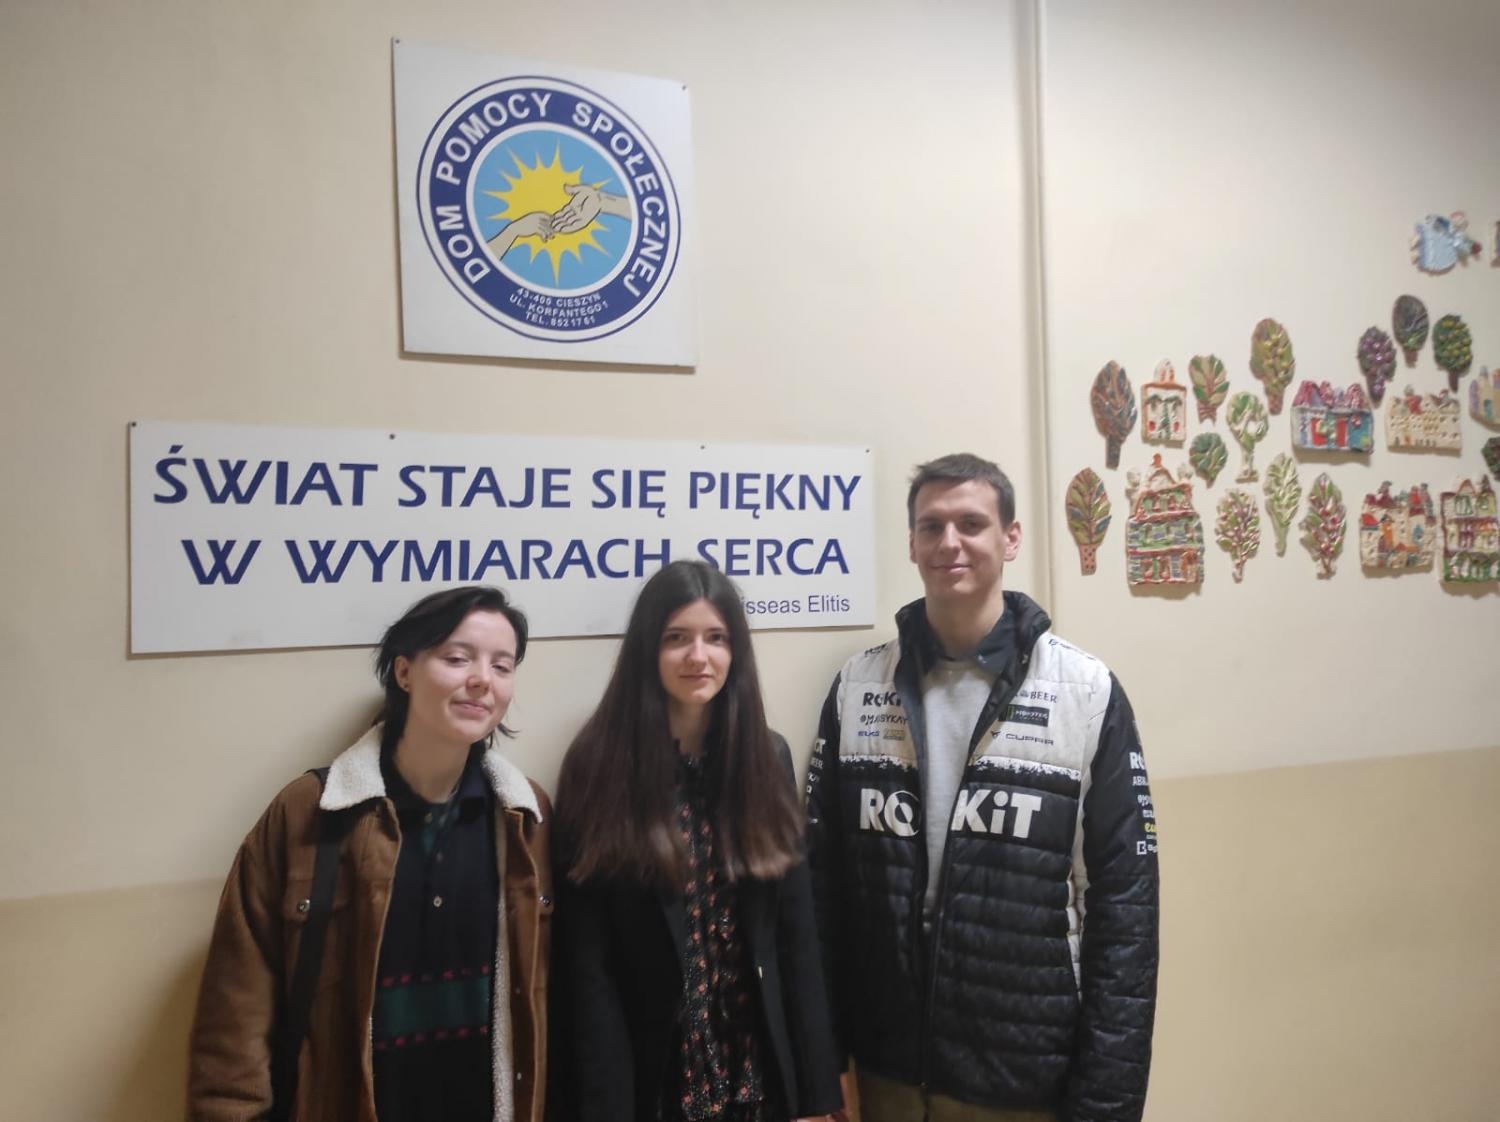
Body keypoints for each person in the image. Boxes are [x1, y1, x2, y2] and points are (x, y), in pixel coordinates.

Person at [805, 454, 1159, 1122]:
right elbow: (820, 895)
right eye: (931, 526)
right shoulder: (857, 687)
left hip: (1022, 1081)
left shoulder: (1084, 692)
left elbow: (1125, 914)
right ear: (912, 544)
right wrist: (819, 1068)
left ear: (1010, 537)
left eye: (971, 523)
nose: (950, 542)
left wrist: (1106, 1103)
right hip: (885, 1075)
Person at [188, 586, 552, 1122]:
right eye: (457, 658)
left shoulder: (525, 818)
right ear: (404, 672)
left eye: (502, 666)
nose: (482, 679)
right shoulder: (309, 812)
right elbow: (234, 1016)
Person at [550, 560, 843, 1122]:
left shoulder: (767, 756)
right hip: (655, 1076)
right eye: (676, 638)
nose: (698, 656)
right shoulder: (598, 765)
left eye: (716, 638)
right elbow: (588, 966)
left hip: (754, 1071)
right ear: (647, 649)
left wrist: (817, 1096)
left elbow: (796, 935)